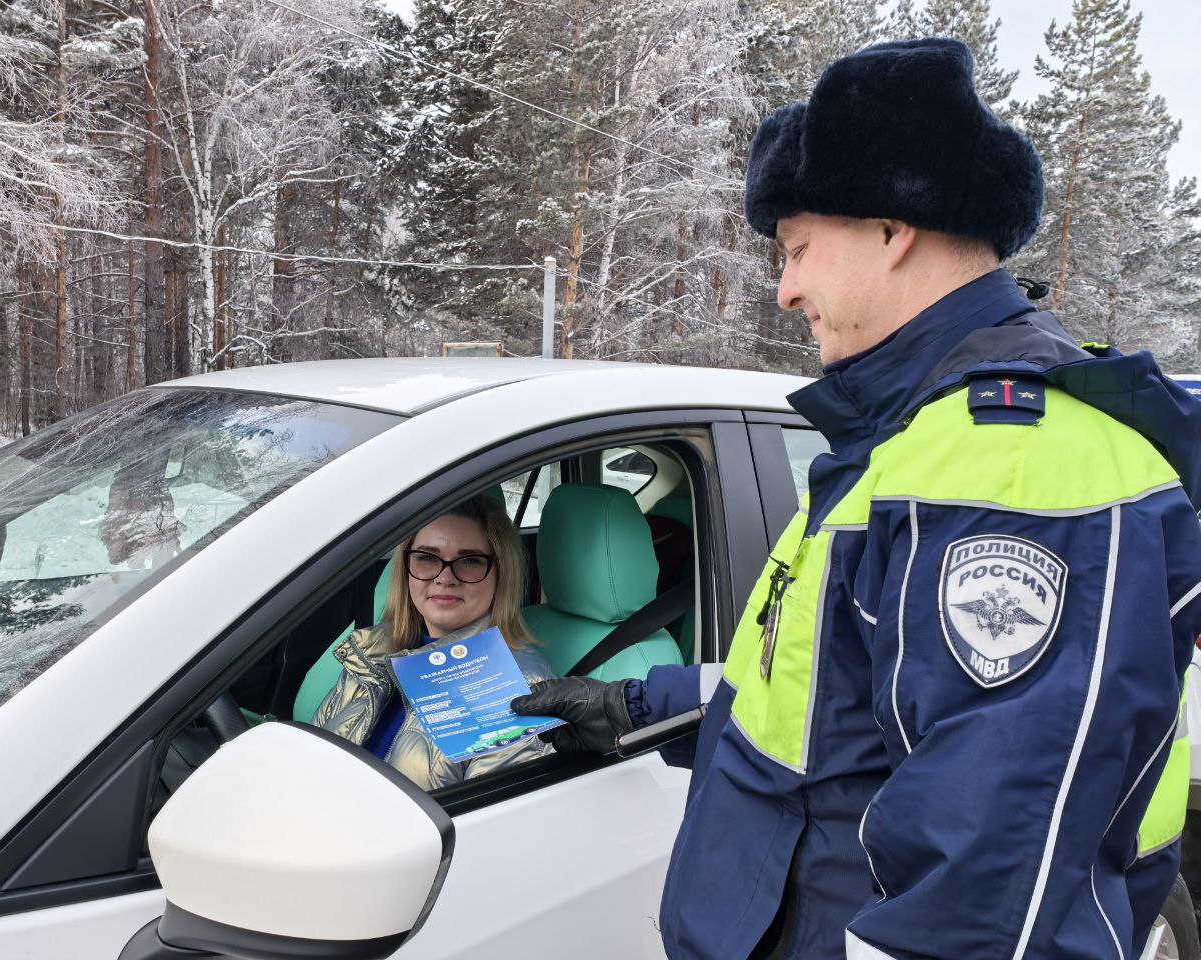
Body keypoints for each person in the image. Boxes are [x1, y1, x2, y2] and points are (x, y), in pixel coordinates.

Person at [513, 37, 1201, 960]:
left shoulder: (1008, 470)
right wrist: (639, 705)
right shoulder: (908, 441)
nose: (788, 288)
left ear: (892, 228)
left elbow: (990, 887)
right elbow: (823, 703)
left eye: (797, 249)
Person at [315, 493, 555, 790]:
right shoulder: (372, 650)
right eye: (427, 558)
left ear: (500, 574)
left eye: (470, 561)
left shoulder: (520, 690)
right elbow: (309, 757)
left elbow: (484, 825)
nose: (445, 577)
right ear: (405, 567)